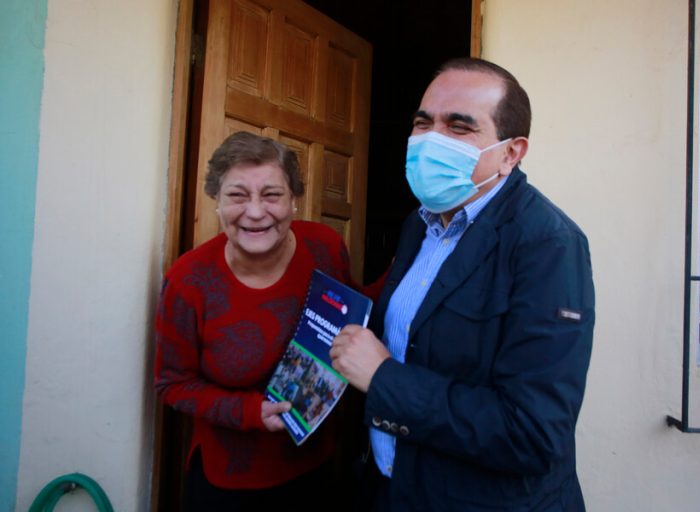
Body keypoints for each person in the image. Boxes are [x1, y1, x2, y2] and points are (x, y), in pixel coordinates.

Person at [330, 57, 595, 511]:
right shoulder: (420, 223)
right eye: (423, 123)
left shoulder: (548, 244)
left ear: (511, 153)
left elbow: (533, 433)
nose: (432, 140)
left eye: (459, 127)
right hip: (394, 488)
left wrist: (384, 378)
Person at [154, 132, 355, 511]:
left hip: (316, 467)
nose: (256, 211)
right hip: (229, 485)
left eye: (272, 195)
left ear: (294, 199)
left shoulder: (325, 247)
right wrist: (249, 412)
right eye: (237, 195)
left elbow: (353, 312)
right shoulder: (188, 281)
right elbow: (172, 384)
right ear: (216, 200)